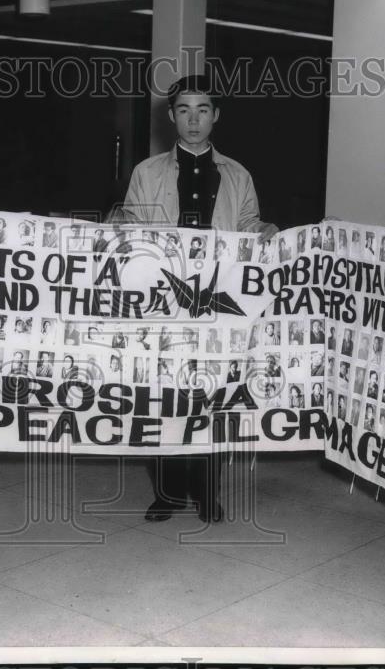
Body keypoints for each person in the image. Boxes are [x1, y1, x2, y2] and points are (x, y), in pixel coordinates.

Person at [113, 74, 278, 524]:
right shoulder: (146, 173)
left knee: (214, 398)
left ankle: (207, 491)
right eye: (184, 110)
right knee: (163, 397)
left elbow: (249, 226)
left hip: (219, 306)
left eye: (202, 109)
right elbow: (131, 228)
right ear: (171, 117)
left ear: (216, 115)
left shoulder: (238, 173)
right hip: (164, 304)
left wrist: (262, 232)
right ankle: (167, 493)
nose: (193, 119)